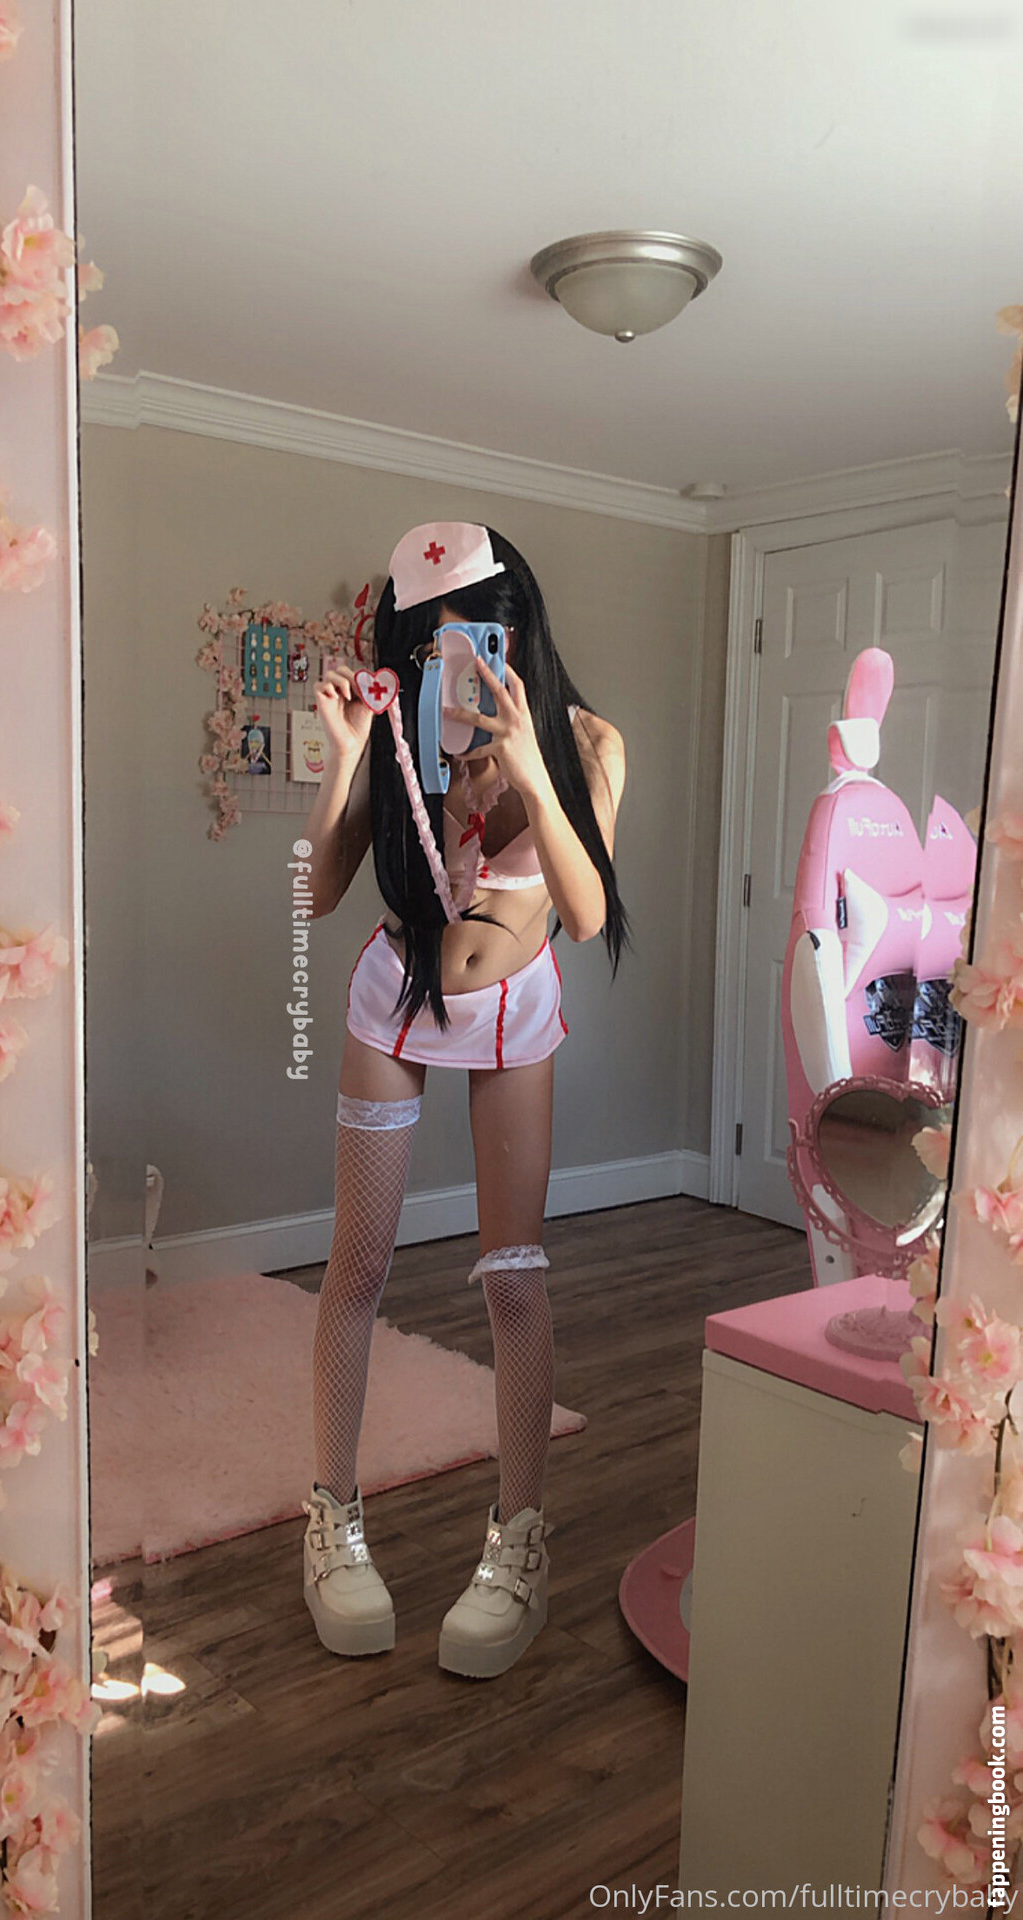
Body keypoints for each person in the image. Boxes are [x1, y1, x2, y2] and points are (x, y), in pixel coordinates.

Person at [301, 521, 627, 1679]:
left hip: (514, 1013)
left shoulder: (586, 742)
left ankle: (518, 1540)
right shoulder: (401, 736)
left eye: (475, 636)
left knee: (514, 1278)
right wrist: (347, 757)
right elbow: (318, 892)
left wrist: (527, 765)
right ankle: (331, 1517)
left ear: (516, 627)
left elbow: (584, 914)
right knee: (358, 1266)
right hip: (395, 997)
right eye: (427, 644)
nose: (456, 663)